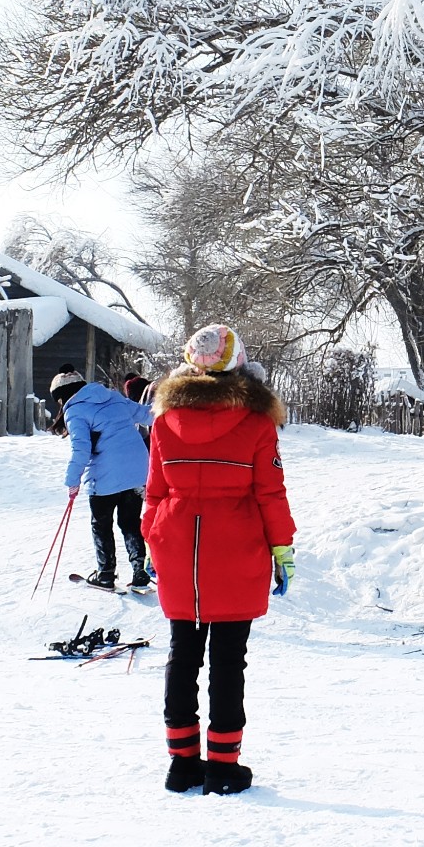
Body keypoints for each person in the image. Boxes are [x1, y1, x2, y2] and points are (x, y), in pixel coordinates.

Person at [142, 324, 296, 795]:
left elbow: (154, 493)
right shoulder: (256, 423)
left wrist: (152, 543)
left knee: (182, 657)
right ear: (240, 365)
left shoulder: (166, 422)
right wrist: (282, 550)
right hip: (237, 550)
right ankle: (223, 768)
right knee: (229, 662)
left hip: (176, 549)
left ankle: (181, 763)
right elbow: (270, 493)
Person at [63, 372, 156, 591]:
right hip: (136, 469)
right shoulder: (113, 397)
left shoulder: (75, 410)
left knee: (102, 524)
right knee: (131, 522)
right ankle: (140, 572)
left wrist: (72, 480)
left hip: (105, 476)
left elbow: (81, 449)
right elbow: (148, 415)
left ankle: (105, 574)